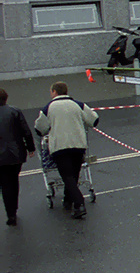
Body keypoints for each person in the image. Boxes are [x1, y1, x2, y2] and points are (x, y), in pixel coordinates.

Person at [34, 82, 97, 220]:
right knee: (74, 175)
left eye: (51, 91)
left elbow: (40, 129)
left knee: (67, 176)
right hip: (78, 145)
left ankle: (79, 204)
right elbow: (94, 120)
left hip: (60, 147)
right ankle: (68, 201)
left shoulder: (48, 108)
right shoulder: (78, 104)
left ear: (55, 92)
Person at [0, 87, 36, 226]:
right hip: (15, 154)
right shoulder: (15, 111)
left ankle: (10, 212)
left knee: (5, 184)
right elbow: (26, 131)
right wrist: (30, 147)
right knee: (12, 182)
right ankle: (13, 211)